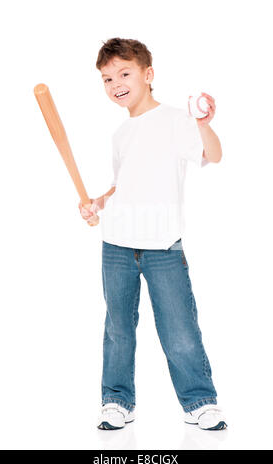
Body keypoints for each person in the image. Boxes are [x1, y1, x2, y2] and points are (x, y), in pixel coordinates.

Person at [79, 37, 227, 431]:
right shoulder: (120, 135)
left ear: (148, 75)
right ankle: (116, 401)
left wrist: (202, 124)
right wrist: (96, 202)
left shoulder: (178, 119)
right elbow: (121, 187)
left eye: (124, 73)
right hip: (116, 247)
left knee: (180, 329)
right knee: (118, 330)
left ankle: (200, 401)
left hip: (163, 246)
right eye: (107, 78)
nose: (115, 84)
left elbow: (212, 156)